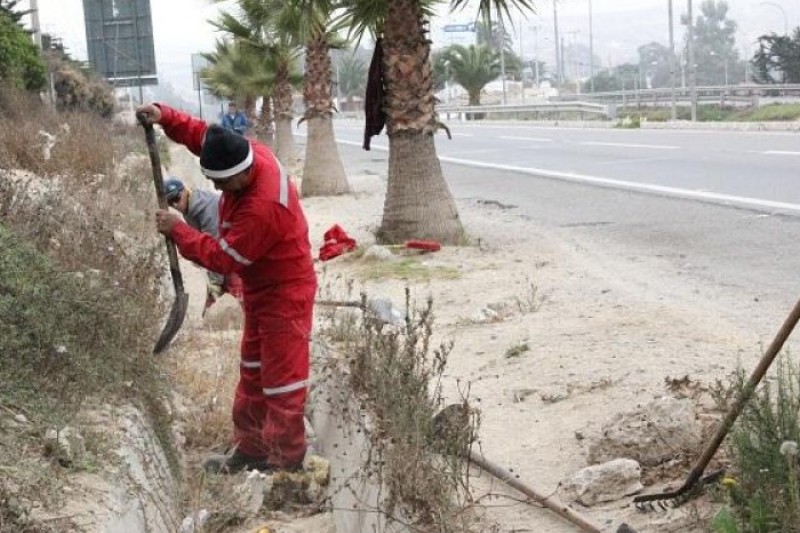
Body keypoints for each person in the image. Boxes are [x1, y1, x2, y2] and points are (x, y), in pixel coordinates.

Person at [138, 102, 317, 474]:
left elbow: (223, 259)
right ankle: (252, 451)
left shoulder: (264, 207)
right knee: (253, 372)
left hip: (286, 292)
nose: (217, 189)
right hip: (260, 288)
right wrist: (165, 116)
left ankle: (287, 465)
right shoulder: (243, 152)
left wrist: (179, 230)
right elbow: (204, 135)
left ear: (244, 174)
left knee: (282, 382)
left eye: (222, 183)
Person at [162, 177, 243, 313]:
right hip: (225, 258)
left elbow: (217, 249)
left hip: (235, 255)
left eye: (176, 198)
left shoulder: (205, 208)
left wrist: (215, 282)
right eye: (170, 202)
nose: (175, 205)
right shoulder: (191, 207)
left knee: (241, 298)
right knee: (212, 309)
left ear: (185, 191)